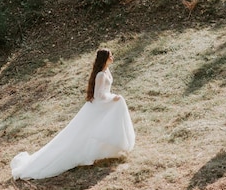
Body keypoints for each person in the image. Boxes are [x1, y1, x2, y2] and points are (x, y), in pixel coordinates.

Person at [11, 48, 135, 180]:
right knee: (82, 132)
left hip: (103, 105)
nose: (112, 58)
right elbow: (98, 95)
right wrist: (113, 98)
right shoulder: (100, 75)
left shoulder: (106, 70)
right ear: (104, 58)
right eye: (110, 56)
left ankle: (106, 148)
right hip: (98, 106)